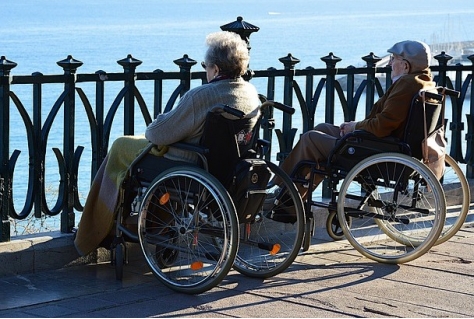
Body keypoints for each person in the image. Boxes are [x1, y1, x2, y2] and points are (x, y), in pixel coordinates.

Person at [74, 31, 261, 256]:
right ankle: (147, 225)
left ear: (216, 69)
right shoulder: (250, 93)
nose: (205, 70)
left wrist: (162, 118)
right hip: (225, 167)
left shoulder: (202, 96)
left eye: (206, 66)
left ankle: (95, 228)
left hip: (190, 163)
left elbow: (157, 134)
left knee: (121, 146)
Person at [274, 40, 436, 202]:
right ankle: (291, 195)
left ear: (406, 66)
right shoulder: (424, 82)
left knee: (311, 139)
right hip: (388, 146)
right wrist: (355, 127)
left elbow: (383, 125)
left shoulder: (407, 85)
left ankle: (285, 195)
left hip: (380, 150)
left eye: (393, 59)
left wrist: (355, 127)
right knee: (322, 128)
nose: (390, 63)